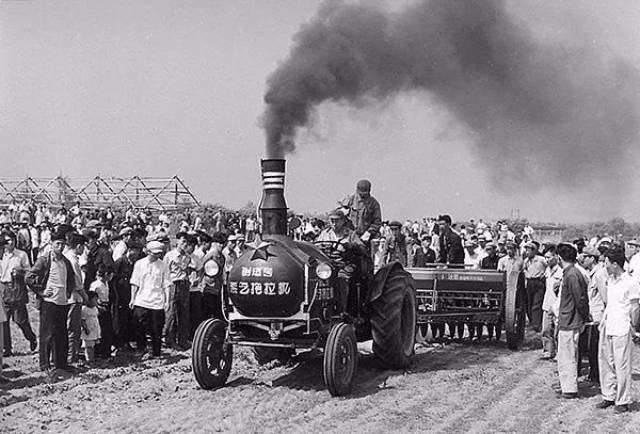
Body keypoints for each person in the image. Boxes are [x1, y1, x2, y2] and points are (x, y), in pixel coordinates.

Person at [26, 230, 77, 382]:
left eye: (62, 244)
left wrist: (68, 293)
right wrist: (41, 291)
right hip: (49, 303)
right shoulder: (44, 260)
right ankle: (45, 364)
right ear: (51, 244)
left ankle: (61, 363)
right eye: (57, 244)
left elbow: (71, 278)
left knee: (61, 334)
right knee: (47, 334)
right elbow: (29, 277)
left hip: (62, 302)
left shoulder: (66, 261)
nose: (60, 247)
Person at [595, 247, 639, 413]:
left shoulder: (630, 282)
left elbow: (635, 308)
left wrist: (632, 327)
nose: (604, 265)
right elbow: (610, 303)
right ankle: (608, 395)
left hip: (622, 326)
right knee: (606, 362)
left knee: (622, 365)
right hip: (609, 325)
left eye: (606, 262)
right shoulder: (611, 281)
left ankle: (622, 400)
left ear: (614, 264)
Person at [316, 209, 368, 314]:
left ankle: (342, 310)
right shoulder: (324, 234)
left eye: (337, 220)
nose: (334, 223)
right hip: (327, 266)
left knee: (341, 279)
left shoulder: (350, 234)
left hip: (344, 265)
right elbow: (315, 247)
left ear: (343, 221)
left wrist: (351, 246)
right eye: (332, 220)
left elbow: (363, 248)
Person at [556, 243, 590, 399]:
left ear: (559, 258)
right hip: (568, 319)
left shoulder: (571, 275)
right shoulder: (572, 273)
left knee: (567, 355)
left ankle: (569, 389)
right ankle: (567, 386)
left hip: (570, 320)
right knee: (567, 354)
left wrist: (584, 317)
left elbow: (580, 299)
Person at [129, 240, 171, 359]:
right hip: (142, 299)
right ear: (148, 252)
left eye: (159, 253)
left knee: (156, 328)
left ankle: (156, 352)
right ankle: (141, 348)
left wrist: (167, 301)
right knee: (139, 325)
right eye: (154, 253)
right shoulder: (139, 264)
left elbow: (166, 284)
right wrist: (133, 298)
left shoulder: (163, 265)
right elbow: (135, 282)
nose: (157, 255)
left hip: (157, 301)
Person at [1, 230, 37, 357]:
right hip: (3, 288)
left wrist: (20, 272)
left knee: (20, 320)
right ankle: (6, 349)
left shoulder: (21, 255)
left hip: (17, 288)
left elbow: (29, 272)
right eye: (7, 241)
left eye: (12, 240)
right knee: (3, 321)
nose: (10, 243)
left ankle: (31, 337)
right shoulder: (1, 255)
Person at [163, 232, 196, 350]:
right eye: (182, 242)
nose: (184, 245)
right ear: (177, 242)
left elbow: (190, 269)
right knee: (171, 313)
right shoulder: (170, 255)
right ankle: (168, 340)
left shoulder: (187, 257)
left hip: (184, 284)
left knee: (184, 313)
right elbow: (165, 272)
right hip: (173, 284)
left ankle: (182, 339)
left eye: (186, 242)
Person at [582, 245, 607, 383]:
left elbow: (604, 297)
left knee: (595, 347)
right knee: (590, 347)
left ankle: (596, 375)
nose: (582, 259)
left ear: (592, 259)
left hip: (598, 315)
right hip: (591, 314)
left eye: (585, 257)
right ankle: (593, 373)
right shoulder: (589, 273)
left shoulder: (599, 274)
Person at [63, 232, 88, 366]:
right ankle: (71, 359)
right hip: (74, 298)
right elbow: (78, 284)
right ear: (78, 246)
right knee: (74, 330)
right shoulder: (73, 261)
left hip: (66, 298)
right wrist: (86, 297)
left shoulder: (66, 257)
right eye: (83, 246)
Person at [112, 240, 140, 351]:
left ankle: (127, 341)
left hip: (130, 296)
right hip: (120, 296)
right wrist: (116, 296)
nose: (137, 254)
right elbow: (113, 280)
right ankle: (119, 343)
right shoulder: (120, 262)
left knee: (128, 320)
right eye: (136, 251)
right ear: (129, 250)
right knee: (119, 320)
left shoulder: (135, 264)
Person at [541, 245, 562, 360]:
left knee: (558, 331)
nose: (546, 260)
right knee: (546, 329)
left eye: (549, 257)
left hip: (557, 305)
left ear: (556, 257)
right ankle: (548, 350)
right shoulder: (547, 270)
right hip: (547, 303)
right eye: (545, 257)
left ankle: (559, 352)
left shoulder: (562, 271)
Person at [200, 232, 226, 321]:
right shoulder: (210, 255)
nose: (221, 245)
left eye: (223, 243)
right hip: (208, 288)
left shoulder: (223, 257)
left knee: (217, 311)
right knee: (208, 312)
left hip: (218, 288)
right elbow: (200, 267)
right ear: (214, 243)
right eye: (219, 243)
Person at [523, 241, 547, 332]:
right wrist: (526, 274)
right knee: (529, 303)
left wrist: (544, 274)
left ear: (534, 251)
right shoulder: (526, 261)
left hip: (539, 282)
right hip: (530, 282)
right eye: (526, 250)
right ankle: (532, 322)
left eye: (528, 250)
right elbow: (524, 269)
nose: (527, 252)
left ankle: (536, 325)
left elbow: (549, 266)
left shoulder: (541, 259)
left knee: (537, 304)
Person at [90, 264, 112, 358]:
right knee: (100, 330)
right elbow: (92, 297)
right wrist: (98, 306)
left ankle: (106, 351)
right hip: (99, 307)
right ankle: (98, 352)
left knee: (107, 330)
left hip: (106, 306)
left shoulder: (106, 283)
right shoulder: (96, 285)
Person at [81, 291, 101, 366]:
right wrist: (85, 328)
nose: (96, 302)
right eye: (94, 300)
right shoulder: (84, 309)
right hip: (88, 330)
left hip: (95, 330)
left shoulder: (95, 309)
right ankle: (88, 360)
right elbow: (82, 320)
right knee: (88, 346)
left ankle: (92, 358)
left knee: (92, 346)